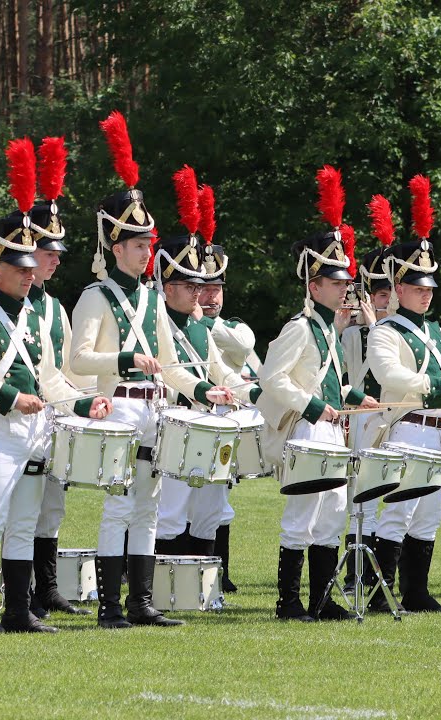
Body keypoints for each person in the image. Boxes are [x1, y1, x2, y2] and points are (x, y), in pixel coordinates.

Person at [69, 111, 235, 629]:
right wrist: (122, 359)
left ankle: (142, 603)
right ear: (116, 247)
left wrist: (205, 389)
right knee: (119, 510)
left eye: (148, 245)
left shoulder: (150, 299)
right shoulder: (95, 295)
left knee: (148, 507)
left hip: (155, 410)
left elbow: (170, 364)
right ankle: (110, 606)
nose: (147, 254)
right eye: (138, 245)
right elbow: (76, 360)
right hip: (118, 404)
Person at [0, 137, 113, 632]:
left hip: (35, 428)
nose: (29, 275)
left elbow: (48, 376)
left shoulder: (40, 316)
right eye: (19, 268)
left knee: (24, 521)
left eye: (30, 267)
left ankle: (20, 611)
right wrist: (10, 397)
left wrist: (82, 402)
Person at [258, 165, 379, 622]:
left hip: (330, 430)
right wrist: (315, 406)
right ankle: (288, 602)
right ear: (314, 286)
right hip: (306, 430)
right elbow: (274, 378)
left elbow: (322, 380)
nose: (346, 287)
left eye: (346, 281)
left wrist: (350, 395)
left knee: (333, 515)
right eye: (336, 281)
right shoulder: (299, 326)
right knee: (301, 516)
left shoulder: (328, 330)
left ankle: (323, 599)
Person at [366, 175, 441, 612]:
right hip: (407, 427)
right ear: (400, 288)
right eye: (418, 288)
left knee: (432, 512)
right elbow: (388, 375)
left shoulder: (436, 330)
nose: (426, 295)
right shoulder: (385, 330)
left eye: (430, 288)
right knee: (398, 511)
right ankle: (380, 592)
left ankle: (416, 590)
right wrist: (440, 385)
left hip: (439, 431)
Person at [152, 169, 250, 563]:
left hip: (204, 421)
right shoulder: (153, 317)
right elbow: (167, 368)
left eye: (203, 286)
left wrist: (252, 391)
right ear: (168, 285)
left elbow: (219, 369)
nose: (200, 293)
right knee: (171, 510)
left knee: (209, 506)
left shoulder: (198, 325)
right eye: (192, 286)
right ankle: (162, 586)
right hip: (171, 421)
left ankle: (204, 586)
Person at [25, 137, 97, 619]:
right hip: (14, 413)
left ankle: (46, 587)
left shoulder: (53, 306)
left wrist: (83, 405)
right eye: (45, 251)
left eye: (56, 253)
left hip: (52, 415)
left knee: (52, 507)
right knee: (16, 508)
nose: (54, 259)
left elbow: (67, 368)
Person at [189, 187, 254, 593]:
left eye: (215, 288)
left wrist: (202, 319)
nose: (210, 296)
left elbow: (240, 348)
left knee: (219, 500)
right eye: (203, 287)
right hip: (191, 412)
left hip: (225, 418)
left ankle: (220, 570)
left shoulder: (235, 327)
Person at [339, 191, 396, 597]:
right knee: (362, 501)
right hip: (366, 418)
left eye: (391, 292)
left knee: (395, 499)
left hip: (398, 416)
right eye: (379, 293)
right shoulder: (356, 333)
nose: (386, 300)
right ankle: (357, 575)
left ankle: (386, 576)